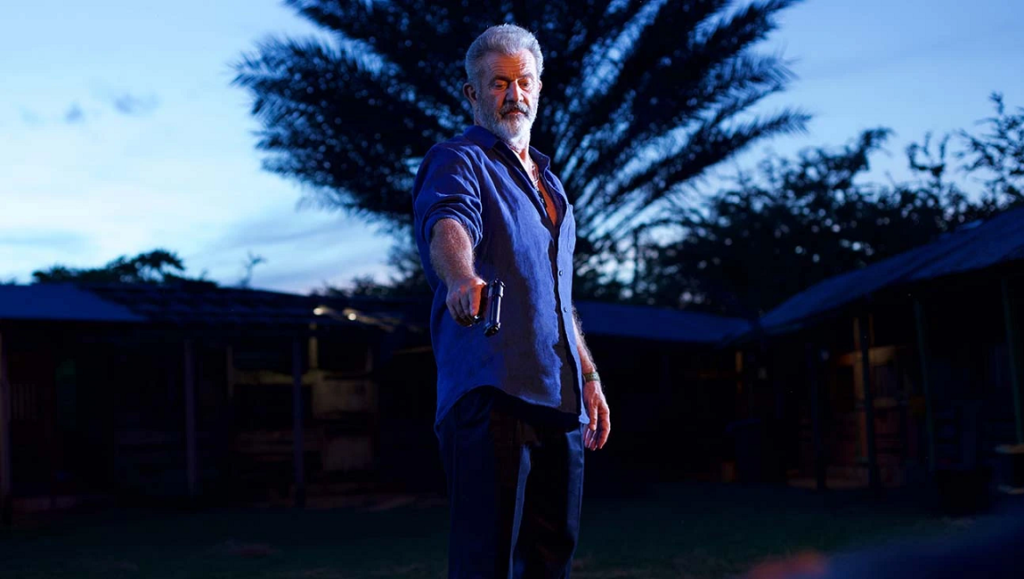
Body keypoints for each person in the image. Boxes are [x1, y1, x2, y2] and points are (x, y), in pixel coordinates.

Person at [412, 23, 612, 579]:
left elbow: (557, 295)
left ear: (539, 88)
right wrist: (459, 277)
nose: (513, 94)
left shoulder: (554, 186)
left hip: (560, 398)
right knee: (486, 564)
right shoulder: (458, 159)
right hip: (490, 390)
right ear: (473, 94)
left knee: (553, 560)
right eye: (498, 83)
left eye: (523, 81)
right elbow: (448, 221)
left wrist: (589, 377)